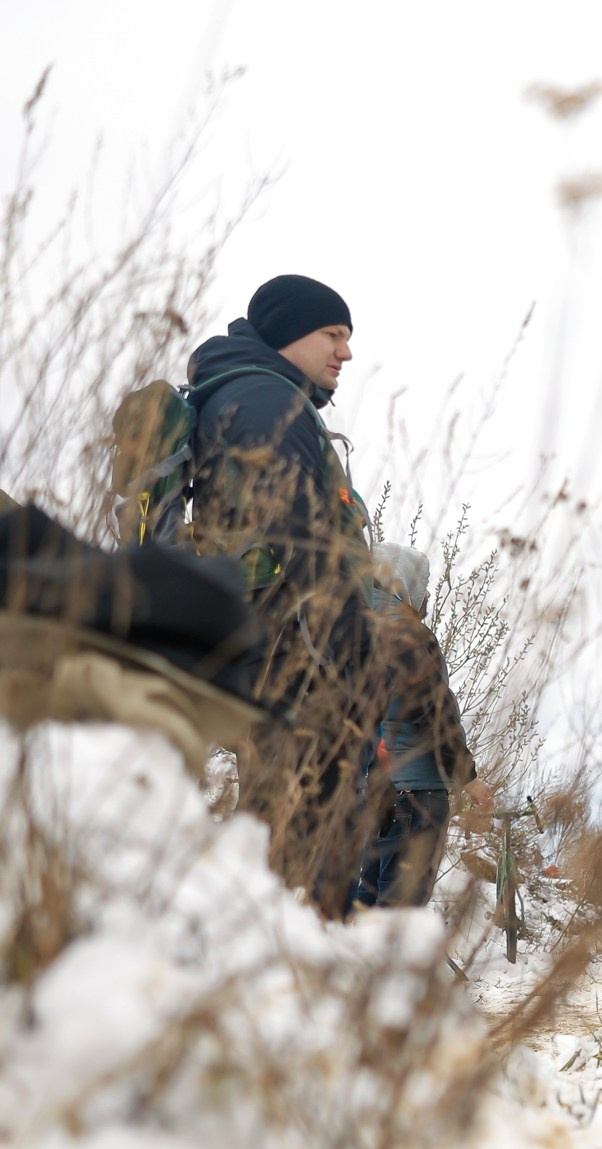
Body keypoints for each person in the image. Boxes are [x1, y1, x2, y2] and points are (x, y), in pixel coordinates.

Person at [187, 274, 379, 915]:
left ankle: (267, 974)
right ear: (288, 332)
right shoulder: (270, 406)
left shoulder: (245, 394)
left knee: (280, 823)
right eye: (332, 334)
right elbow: (311, 551)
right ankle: (269, 982)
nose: (344, 353)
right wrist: (356, 665)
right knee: (299, 838)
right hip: (296, 657)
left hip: (268, 647)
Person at [354, 545, 491, 908]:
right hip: (416, 793)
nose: (427, 594)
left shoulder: (348, 627)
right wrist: (468, 776)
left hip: (370, 790)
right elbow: (433, 708)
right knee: (398, 917)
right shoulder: (406, 631)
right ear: (402, 579)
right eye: (424, 583)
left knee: (365, 906)